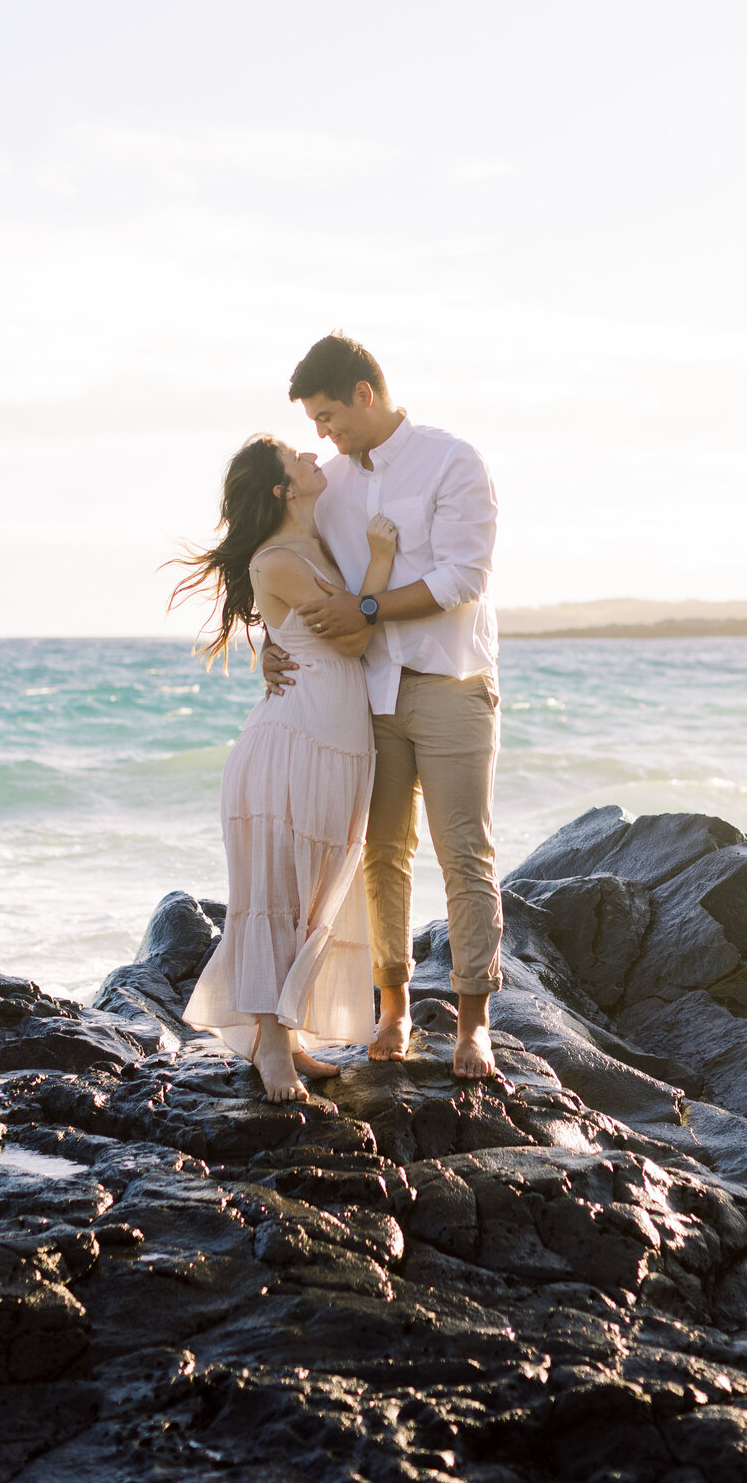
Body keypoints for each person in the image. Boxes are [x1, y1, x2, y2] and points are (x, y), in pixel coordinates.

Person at [262, 333, 503, 1080]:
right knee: (381, 855)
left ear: (367, 394)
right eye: (314, 421)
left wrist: (367, 607)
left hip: (449, 681)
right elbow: (286, 566)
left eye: (329, 414)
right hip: (367, 692)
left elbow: (464, 577)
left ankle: (474, 1024)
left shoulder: (452, 461)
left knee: (465, 852)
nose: (322, 434)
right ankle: (393, 1010)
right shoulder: (326, 484)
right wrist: (265, 642)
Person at [168, 433, 399, 1103]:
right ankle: (270, 1045)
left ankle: (292, 1037)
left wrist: (270, 640)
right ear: (281, 489)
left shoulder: (317, 539)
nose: (310, 457)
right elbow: (356, 634)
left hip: (338, 741)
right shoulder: (278, 560)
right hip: (292, 744)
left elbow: (325, 627)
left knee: (315, 891)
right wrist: (381, 563)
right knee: (274, 894)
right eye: (297, 459)